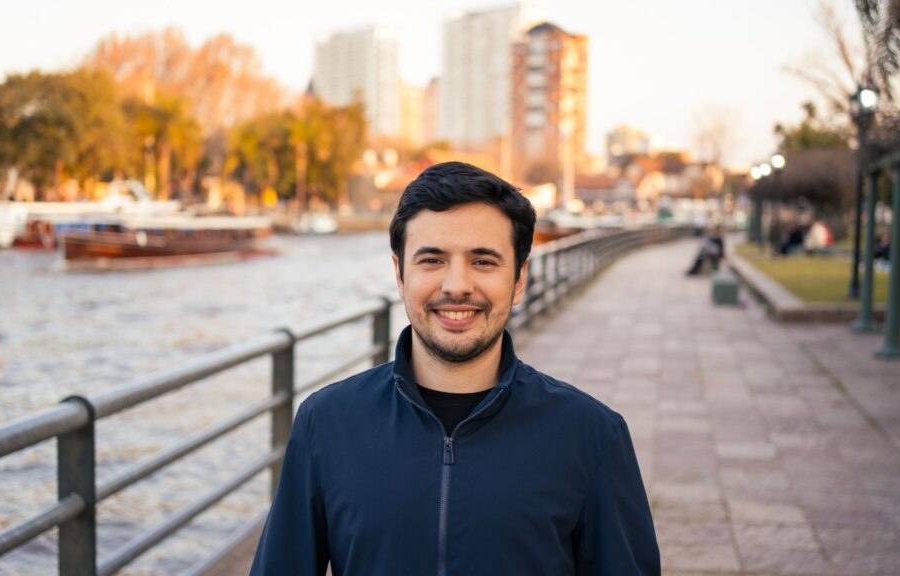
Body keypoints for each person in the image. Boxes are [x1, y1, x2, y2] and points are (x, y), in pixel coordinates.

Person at [250, 162, 660, 575]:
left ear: (519, 280)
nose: (456, 286)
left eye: (483, 261)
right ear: (400, 275)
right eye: (432, 260)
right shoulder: (327, 424)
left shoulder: (591, 435)